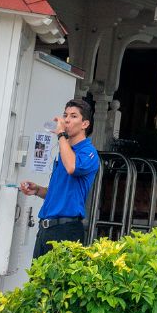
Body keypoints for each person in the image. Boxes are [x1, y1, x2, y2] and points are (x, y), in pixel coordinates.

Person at [20, 98, 99, 257]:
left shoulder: (88, 152)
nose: (67, 120)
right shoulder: (65, 151)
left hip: (66, 230)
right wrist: (38, 190)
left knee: (56, 282)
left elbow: (72, 168)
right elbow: (60, 192)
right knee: (37, 281)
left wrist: (61, 134)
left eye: (74, 116)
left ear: (85, 124)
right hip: (46, 230)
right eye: (65, 115)